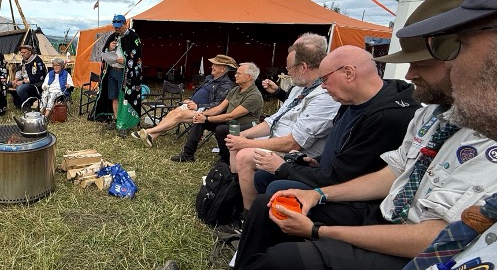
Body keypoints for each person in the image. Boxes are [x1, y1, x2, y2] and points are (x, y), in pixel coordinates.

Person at [117, 0, 497, 270]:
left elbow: (434, 246)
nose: (409, 74)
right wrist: (316, 193)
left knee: (280, 242)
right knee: (267, 219)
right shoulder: (436, 118)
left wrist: (318, 225)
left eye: (429, 59)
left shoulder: (406, 117)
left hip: (394, 258)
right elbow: (392, 178)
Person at [239, 45, 419, 208]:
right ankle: (261, 218)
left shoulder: (386, 117)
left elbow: (345, 177)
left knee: (277, 186)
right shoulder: (352, 101)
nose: (323, 87)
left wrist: (283, 167)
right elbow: (344, 154)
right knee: (264, 177)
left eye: (325, 79)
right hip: (331, 174)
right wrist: (316, 160)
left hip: (351, 195)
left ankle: (283, 233)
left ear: (348, 73)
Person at [214, 39, 340, 205]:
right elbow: (273, 121)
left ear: (303, 67)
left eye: (289, 69)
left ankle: (247, 212)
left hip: (299, 155)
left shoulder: (325, 97)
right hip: (277, 141)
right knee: (235, 139)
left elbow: (293, 143)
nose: (288, 73)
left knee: (244, 154)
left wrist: (246, 143)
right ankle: (235, 193)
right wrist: (243, 136)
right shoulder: (298, 89)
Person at [130, 55, 236, 149]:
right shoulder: (210, 79)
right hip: (194, 106)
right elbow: (199, 92)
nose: (212, 67)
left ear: (223, 69)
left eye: (215, 65)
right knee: (173, 112)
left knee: (179, 115)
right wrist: (191, 99)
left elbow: (219, 104)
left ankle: (148, 131)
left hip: (206, 112)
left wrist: (198, 105)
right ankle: (152, 137)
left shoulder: (225, 84)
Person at [169, 62, 263, 162]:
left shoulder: (254, 96)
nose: (235, 75)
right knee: (200, 122)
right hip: (232, 123)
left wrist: (206, 118)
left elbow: (231, 116)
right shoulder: (236, 90)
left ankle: (225, 159)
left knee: (220, 129)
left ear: (248, 77)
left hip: (245, 125)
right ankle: (187, 154)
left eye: (238, 73)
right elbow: (219, 108)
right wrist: (202, 114)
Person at [91, 14, 143, 137]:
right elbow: (104, 52)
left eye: (119, 27)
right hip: (112, 72)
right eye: (115, 27)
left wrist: (125, 61)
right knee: (114, 97)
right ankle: (116, 120)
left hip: (125, 73)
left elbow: (137, 56)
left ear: (125, 24)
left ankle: (123, 124)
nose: (117, 29)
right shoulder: (112, 36)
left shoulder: (133, 37)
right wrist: (109, 48)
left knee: (124, 98)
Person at [10, 44, 46, 109]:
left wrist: (23, 82)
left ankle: (27, 106)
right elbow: (19, 70)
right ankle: (19, 103)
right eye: (21, 52)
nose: (22, 54)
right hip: (25, 81)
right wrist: (16, 80)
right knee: (8, 85)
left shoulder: (37, 61)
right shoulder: (24, 60)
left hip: (36, 83)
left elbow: (37, 76)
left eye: (24, 52)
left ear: (30, 52)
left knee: (20, 89)